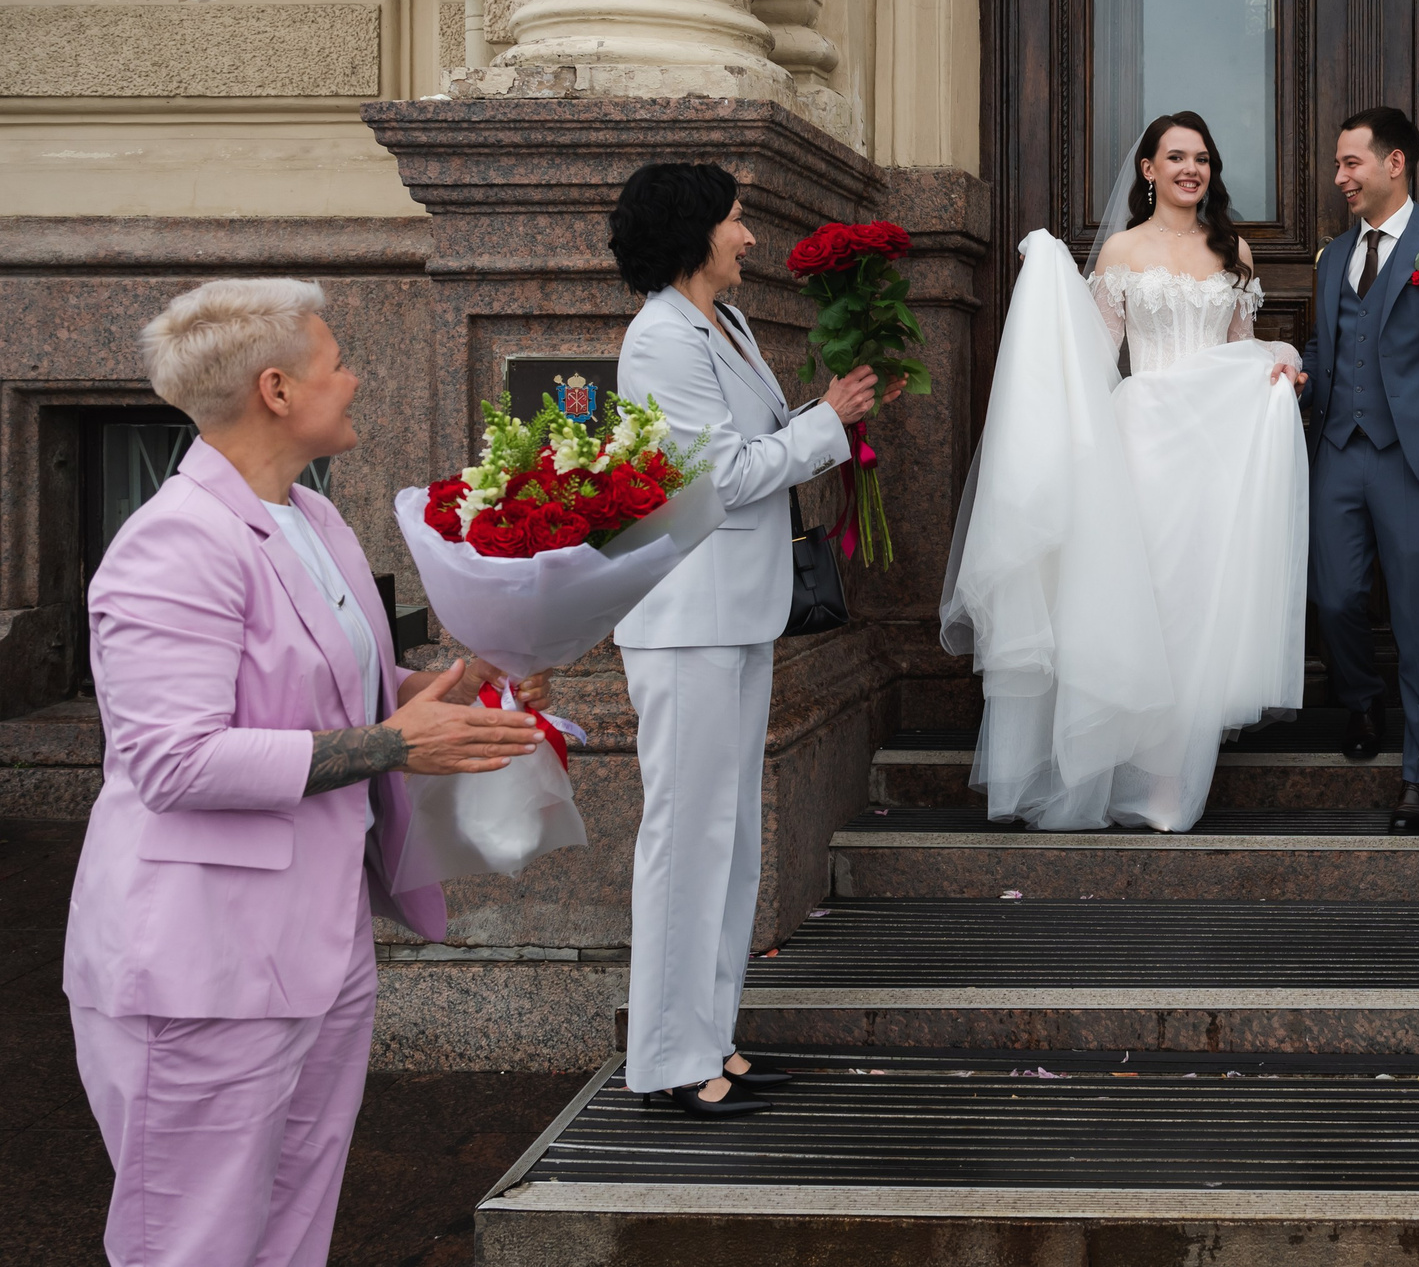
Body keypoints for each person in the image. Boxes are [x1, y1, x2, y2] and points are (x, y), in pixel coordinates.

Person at [70, 278, 548, 1266]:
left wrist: (458, 680)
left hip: (317, 943)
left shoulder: (313, 519)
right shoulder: (173, 542)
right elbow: (174, 759)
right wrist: (394, 744)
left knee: (292, 1226)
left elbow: (346, 685)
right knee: (191, 1240)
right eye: (336, 362)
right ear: (277, 389)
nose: (355, 377)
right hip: (202, 963)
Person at [609, 163, 890, 1118]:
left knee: (725, 840)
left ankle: (708, 1040)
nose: (751, 238)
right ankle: (666, 1060)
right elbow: (718, 478)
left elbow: (754, 439)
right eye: (737, 222)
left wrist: (820, 418)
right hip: (688, 619)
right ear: (695, 232)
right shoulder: (660, 340)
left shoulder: (720, 322)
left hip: (735, 611)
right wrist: (829, 423)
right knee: (687, 839)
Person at [946, 111, 1309, 832]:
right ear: (1147, 169)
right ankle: (1115, 770)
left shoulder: (1232, 249)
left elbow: (1240, 349)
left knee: (1197, 606)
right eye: (1175, 156)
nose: (1190, 169)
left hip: (1214, 450)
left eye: (1202, 157)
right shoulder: (1119, 250)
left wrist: (1281, 365)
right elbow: (1092, 354)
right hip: (1141, 441)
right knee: (1143, 605)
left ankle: (1170, 782)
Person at [1301, 106, 1419, 834]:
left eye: (1351, 162)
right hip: (1339, 452)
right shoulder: (1332, 257)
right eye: (1339, 164)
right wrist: (1297, 379)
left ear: (1394, 163)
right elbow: (1327, 348)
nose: (1340, 177)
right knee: (1335, 596)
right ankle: (1360, 695)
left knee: (1418, 617)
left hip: (1416, 459)